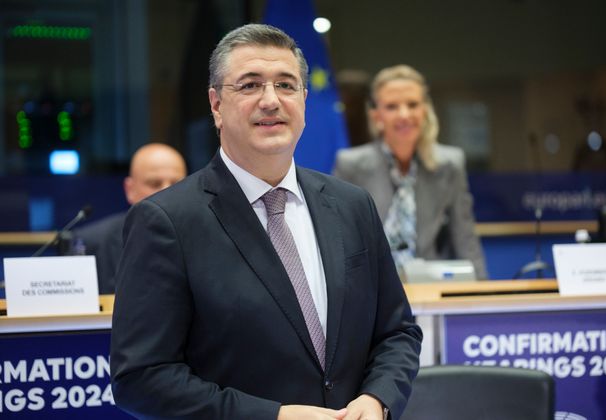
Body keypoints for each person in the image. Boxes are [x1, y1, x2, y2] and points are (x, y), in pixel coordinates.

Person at [110, 24, 422, 420]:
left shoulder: (352, 205)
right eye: (250, 85)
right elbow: (140, 378)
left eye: (286, 85)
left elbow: (398, 332)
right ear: (216, 104)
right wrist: (273, 416)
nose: (271, 100)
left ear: (305, 101)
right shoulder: (165, 221)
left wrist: (377, 399)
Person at [334, 65, 488, 279]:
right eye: (392, 106)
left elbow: (465, 237)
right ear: (376, 115)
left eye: (412, 104)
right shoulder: (350, 165)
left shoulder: (451, 164)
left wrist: (479, 298)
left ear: (425, 110)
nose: (404, 114)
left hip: (431, 286)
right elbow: (338, 240)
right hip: (372, 288)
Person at [72, 143, 186, 294]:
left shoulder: (206, 237)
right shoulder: (93, 243)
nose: (167, 191)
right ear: (130, 190)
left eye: (177, 183)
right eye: (154, 184)